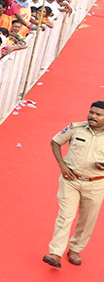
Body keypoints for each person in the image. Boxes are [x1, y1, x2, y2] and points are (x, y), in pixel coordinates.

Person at [44, 101, 104, 267]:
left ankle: (76, 248)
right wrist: (62, 165)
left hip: (96, 184)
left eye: (98, 115)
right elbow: (55, 141)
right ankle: (55, 253)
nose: (93, 116)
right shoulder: (75, 128)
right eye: (92, 112)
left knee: (87, 220)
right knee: (65, 216)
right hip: (70, 180)